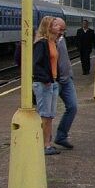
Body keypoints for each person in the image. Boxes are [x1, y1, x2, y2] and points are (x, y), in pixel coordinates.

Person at [32, 15, 61, 156]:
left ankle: (48, 144)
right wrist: (46, 79)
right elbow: (36, 65)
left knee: (50, 115)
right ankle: (43, 145)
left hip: (53, 83)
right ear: (48, 27)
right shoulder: (41, 43)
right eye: (55, 25)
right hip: (44, 84)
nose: (59, 27)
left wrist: (55, 79)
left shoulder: (52, 42)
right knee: (44, 115)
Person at [53, 18, 78, 150]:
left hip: (67, 79)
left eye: (63, 30)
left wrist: (69, 74)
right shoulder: (47, 42)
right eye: (60, 29)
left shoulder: (62, 39)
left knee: (73, 107)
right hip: (55, 80)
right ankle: (43, 140)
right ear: (52, 27)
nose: (62, 32)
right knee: (48, 112)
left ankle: (61, 136)